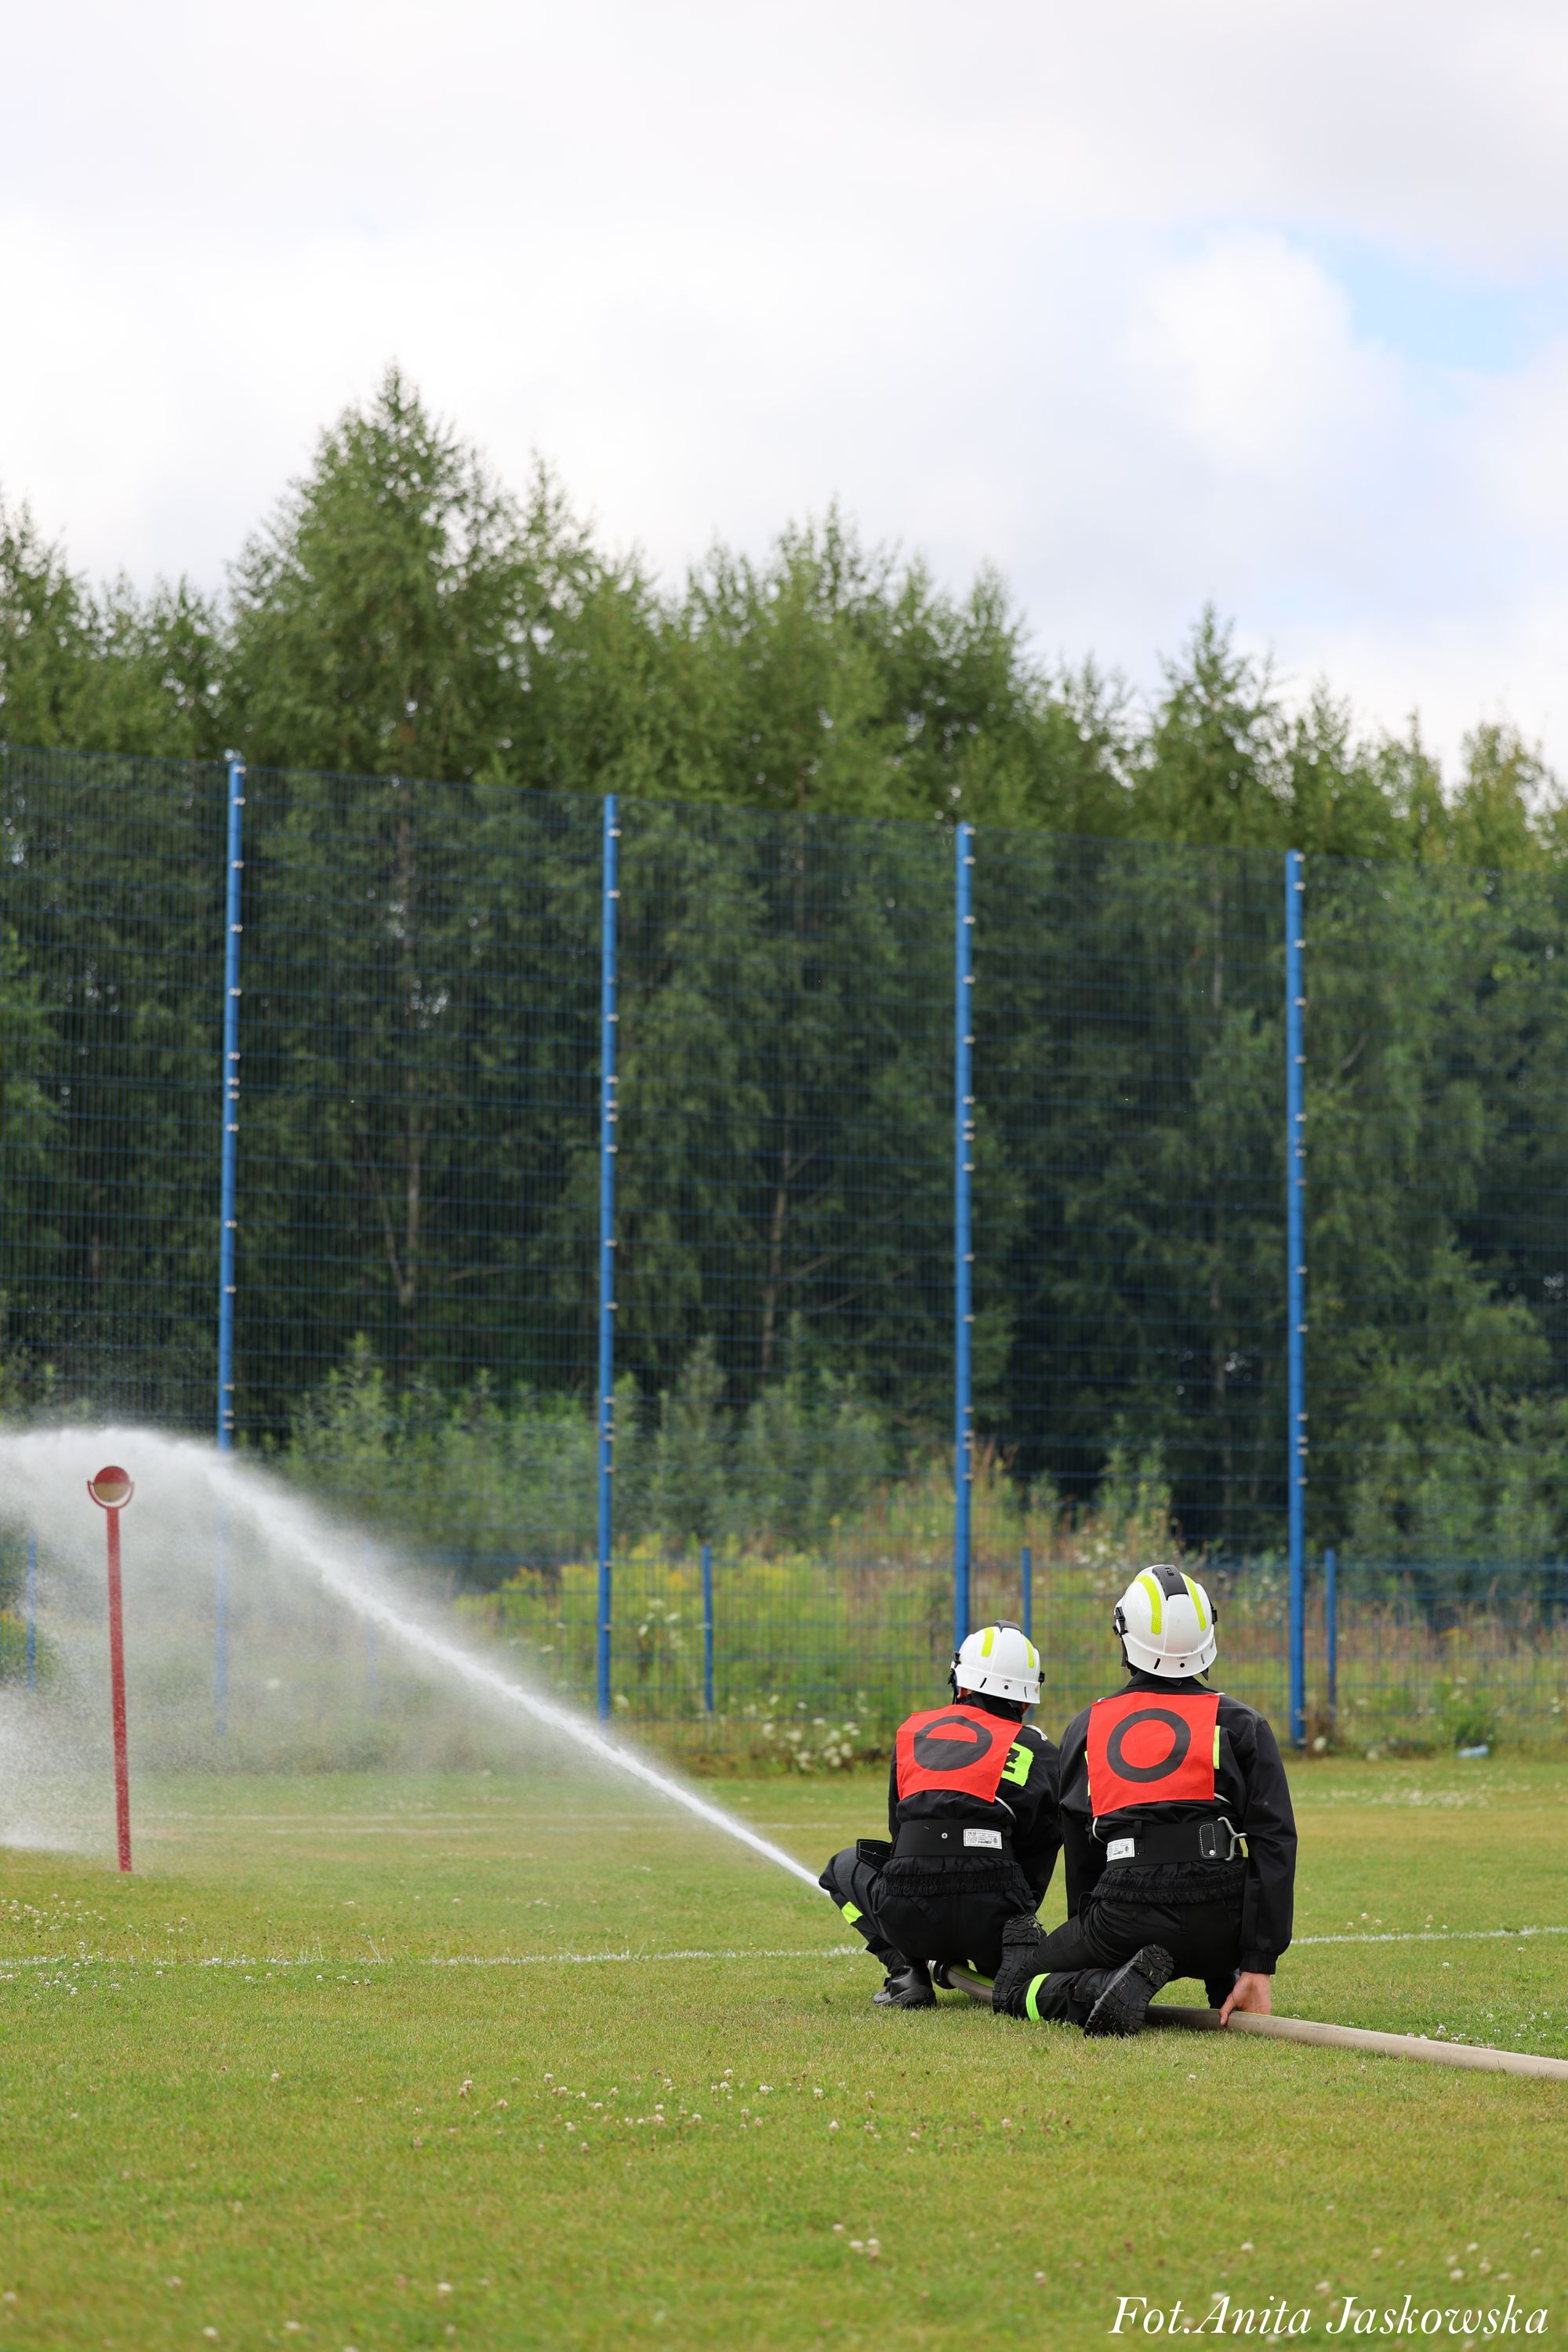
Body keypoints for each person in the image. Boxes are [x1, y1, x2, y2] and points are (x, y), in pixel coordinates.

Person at [991, 1563, 1296, 2038]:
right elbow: (1274, 1841)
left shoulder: (1086, 1728)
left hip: (1125, 1920)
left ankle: (1102, 1985)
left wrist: (1089, 1937)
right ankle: (1227, 1978)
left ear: (1124, 1634)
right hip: (1224, 1927)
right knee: (1213, 1901)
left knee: (1014, 1990)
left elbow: (1081, 1845)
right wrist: (1258, 1962)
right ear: (1207, 1636)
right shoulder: (1241, 1724)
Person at [819, 1621, 1061, 2008]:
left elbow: (899, 1834)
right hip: (995, 1926)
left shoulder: (912, 1731)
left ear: (960, 1685)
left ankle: (905, 1970)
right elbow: (1042, 1846)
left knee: (842, 1868)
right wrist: (1017, 1917)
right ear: (1027, 1700)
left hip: (906, 1917)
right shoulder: (1041, 1750)